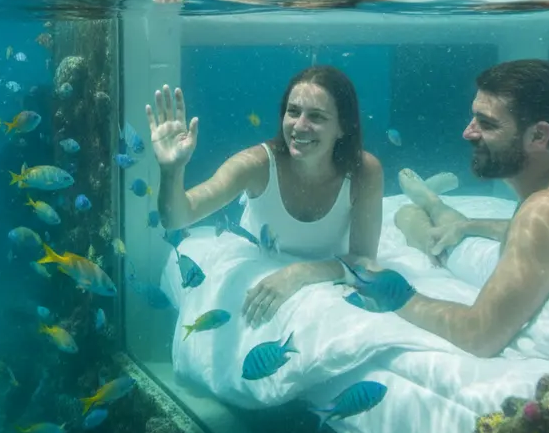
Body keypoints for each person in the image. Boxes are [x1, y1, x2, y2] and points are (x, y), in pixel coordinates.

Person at [373, 59, 549, 358]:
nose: (468, 133)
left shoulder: (544, 211)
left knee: (411, 220)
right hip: (528, 260)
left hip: (518, 273)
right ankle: (435, 203)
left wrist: (394, 294)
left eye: (487, 123)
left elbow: (479, 336)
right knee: (455, 227)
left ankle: (427, 204)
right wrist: (468, 226)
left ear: (538, 136)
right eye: (473, 118)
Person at [148, 67, 384, 328]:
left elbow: (363, 260)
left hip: (333, 276)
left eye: (316, 116)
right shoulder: (255, 164)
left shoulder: (365, 171)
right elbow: (177, 217)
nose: (300, 126)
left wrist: (299, 273)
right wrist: (172, 170)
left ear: (343, 127)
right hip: (259, 271)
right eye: (293, 112)